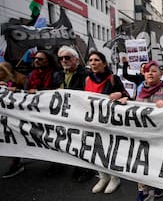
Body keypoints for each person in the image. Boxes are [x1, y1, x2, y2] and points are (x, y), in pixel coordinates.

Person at [3, 50, 62, 178]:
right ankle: (16, 162)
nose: (36, 61)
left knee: (50, 137)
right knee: (19, 133)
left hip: (48, 114)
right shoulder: (31, 75)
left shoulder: (56, 75)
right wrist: (15, 91)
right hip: (31, 112)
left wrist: (39, 92)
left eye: (40, 59)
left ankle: (56, 164)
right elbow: (25, 92)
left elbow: (59, 93)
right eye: (35, 58)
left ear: (48, 61)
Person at [85, 51, 129, 194]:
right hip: (90, 120)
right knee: (94, 148)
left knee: (109, 149)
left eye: (96, 60)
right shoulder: (86, 79)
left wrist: (120, 94)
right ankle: (103, 177)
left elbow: (127, 95)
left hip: (108, 121)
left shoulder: (113, 78)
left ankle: (114, 178)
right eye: (91, 60)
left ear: (104, 63)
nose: (93, 63)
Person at [131, 61, 163, 201]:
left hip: (159, 134)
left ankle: (157, 185)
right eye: (147, 71)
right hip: (142, 133)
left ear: (160, 74)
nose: (150, 73)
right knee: (140, 161)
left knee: (157, 160)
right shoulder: (139, 90)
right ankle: (142, 191)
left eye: (154, 71)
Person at [57, 45, 96, 182]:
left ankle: (85, 168)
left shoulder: (86, 75)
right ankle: (60, 163)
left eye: (67, 57)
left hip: (80, 115)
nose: (64, 60)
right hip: (63, 115)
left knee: (81, 141)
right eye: (61, 58)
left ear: (76, 60)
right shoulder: (58, 75)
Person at [0, 61, 26, 178]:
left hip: (16, 117)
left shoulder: (20, 80)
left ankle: (16, 162)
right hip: (4, 118)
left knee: (15, 138)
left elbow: (26, 96)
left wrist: (13, 90)